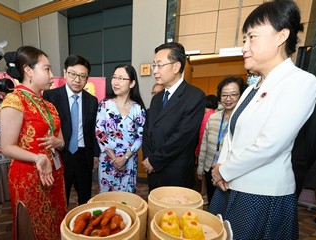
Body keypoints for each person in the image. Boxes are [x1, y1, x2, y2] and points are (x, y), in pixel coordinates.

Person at [209, 0, 316, 239]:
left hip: (261, 194)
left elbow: (271, 143)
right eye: (244, 39)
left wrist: (224, 170)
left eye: (251, 37)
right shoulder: (251, 88)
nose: (244, 47)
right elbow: (232, 134)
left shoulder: (300, 82)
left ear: (281, 36)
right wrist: (220, 168)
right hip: (228, 186)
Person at [0, 46, 66, 239]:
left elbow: (61, 140)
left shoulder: (49, 105)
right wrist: (37, 157)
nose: (52, 75)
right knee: (34, 227)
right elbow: (7, 147)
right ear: (28, 70)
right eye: (46, 69)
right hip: (28, 177)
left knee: (55, 221)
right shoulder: (15, 100)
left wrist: (57, 142)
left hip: (54, 173)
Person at [142, 42, 205, 191]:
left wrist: (155, 160)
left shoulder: (195, 96)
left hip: (176, 172)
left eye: (160, 65)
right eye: (153, 65)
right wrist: (148, 158)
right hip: (153, 170)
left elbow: (183, 137)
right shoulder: (157, 98)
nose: (155, 71)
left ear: (176, 67)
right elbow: (148, 130)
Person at [43, 54, 99, 205]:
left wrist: (95, 154)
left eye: (82, 76)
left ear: (87, 79)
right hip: (60, 154)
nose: (77, 80)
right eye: (73, 74)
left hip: (83, 155)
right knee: (60, 198)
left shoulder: (92, 101)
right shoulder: (50, 97)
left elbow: (93, 130)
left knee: (85, 197)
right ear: (65, 72)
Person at [95, 64, 146, 193]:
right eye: (114, 77)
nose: (116, 82)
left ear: (132, 83)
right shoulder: (105, 105)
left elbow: (140, 137)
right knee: (108, 200)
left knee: (127, 201)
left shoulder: (138, 109)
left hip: (128, 161)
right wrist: (114, 159)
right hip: (108, 160)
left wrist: (124, 158)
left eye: (121, 78)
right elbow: (99, 133)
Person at [197, 77, 246, 205]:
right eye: (224, 95)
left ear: (241, 95)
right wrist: (200, 168)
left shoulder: (244, 119)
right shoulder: (213, 117)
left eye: (233, 95)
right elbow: (204, 145)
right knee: (213, 201)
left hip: (229, 171)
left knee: (227, 204)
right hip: (210, 168)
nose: (228, 99)